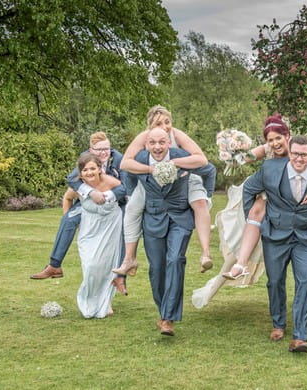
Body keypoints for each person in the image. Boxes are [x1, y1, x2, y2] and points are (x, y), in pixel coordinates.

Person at [191, 114, 307, 310]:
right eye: (270, 140)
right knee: (256, 211)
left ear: (287, 136)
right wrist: (234, 152)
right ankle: (241, 263)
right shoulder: (267, 150)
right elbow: (246, 159)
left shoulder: (301, 150)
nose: (275, 143)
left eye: (278, 138)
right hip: (274, 188)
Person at [243, 135, 307, 352]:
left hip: (306, 238)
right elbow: (249, 189)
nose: (300, 158)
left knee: (306, 281)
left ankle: (300, 336)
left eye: (305, 155)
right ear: (289, 152)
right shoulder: (269, 169)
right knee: (275, 281)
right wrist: (253, 219)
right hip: (275, 236)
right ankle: (278, 323)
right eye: (296, 153)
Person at [123, 128, 215, 336]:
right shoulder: (140, 159)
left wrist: (174, 164)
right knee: (157, 269)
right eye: (153, 142)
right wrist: (146, 173)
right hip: (153, 219)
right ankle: (163, 310)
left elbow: (204, 163)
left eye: (162, 142)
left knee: (175, 259)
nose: (157, 147)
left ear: (169, 143)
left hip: (179, 218)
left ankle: (168, 318)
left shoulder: (181, 156)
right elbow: (125, 168)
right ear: (146, 144)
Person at [115, 105, 214, 278]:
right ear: (150, 127)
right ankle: (129, 258)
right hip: (151, 182)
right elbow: (125, 163)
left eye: (167, 122)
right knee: (132, 209)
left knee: (200, 203)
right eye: (159, 123)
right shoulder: (144, 137)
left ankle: (205, 253)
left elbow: (201, 159)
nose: (165, 126)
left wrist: (175, 163)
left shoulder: (177, 135)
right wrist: (150, 169)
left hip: (184, 178)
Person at [30, 132, 128, 294]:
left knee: (124, 231)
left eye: (107, 149)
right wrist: (90, 193)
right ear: (91, 150)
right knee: (68, 219)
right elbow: (71, 179)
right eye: (99, 149)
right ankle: (54, 266)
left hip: (117, 203)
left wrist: (105, 196)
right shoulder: (85, 158)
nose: (104, 153)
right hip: (88, 203)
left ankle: (120, 277)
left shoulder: (119, 159)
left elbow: (125, 187)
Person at [62, 153, 126, 318]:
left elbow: (125, 193)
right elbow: (67, 199)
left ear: (99, 169)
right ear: (80, 173)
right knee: (90, 266)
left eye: (92, 168)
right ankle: (89, 300)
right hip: (88, 228)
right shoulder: (78, 187)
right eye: (85, 170)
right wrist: (68, 219)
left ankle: (106, 302)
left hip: (111, 226)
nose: (89, 172)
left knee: (106, 265)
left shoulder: (110, 182)